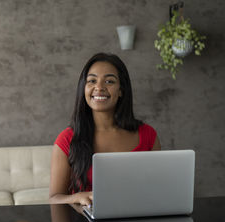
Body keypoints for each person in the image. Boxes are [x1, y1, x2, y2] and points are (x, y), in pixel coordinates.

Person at [49, 52, 161, 206]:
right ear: (84, 88)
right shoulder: (67, 139)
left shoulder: (148, 135)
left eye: (109, 81)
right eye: (92, 81)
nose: (99, 87)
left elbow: (159, 190)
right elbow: (54, 197)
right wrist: (78, 197)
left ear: (121, 90)